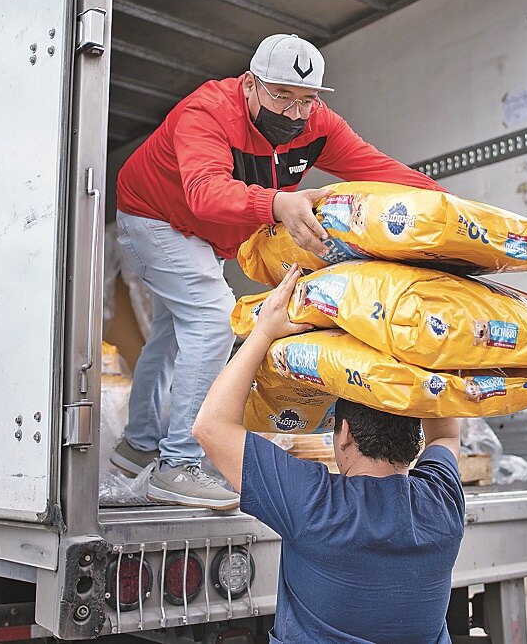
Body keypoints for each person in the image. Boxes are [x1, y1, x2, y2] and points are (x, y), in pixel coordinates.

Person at [110, 33, 444, 509]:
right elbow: (205, 191)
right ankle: (178, 464)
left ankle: (138, 445)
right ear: (250, 84)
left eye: (306, 99)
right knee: (211, 319)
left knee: (173, 333)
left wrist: (447, 206)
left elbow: (374, 167)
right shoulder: (206, 112)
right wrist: (278, 203)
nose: (294, 112)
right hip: (155, 215)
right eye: (282, 95)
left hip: (206, 234)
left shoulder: (317, 123)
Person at [193, 264, 465, 643]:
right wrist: (428, 355)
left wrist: (264, 331)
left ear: (345, 434)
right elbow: (446, 435)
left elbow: (209, 427)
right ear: (415, 435)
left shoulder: (315, 504)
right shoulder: (442, 504)